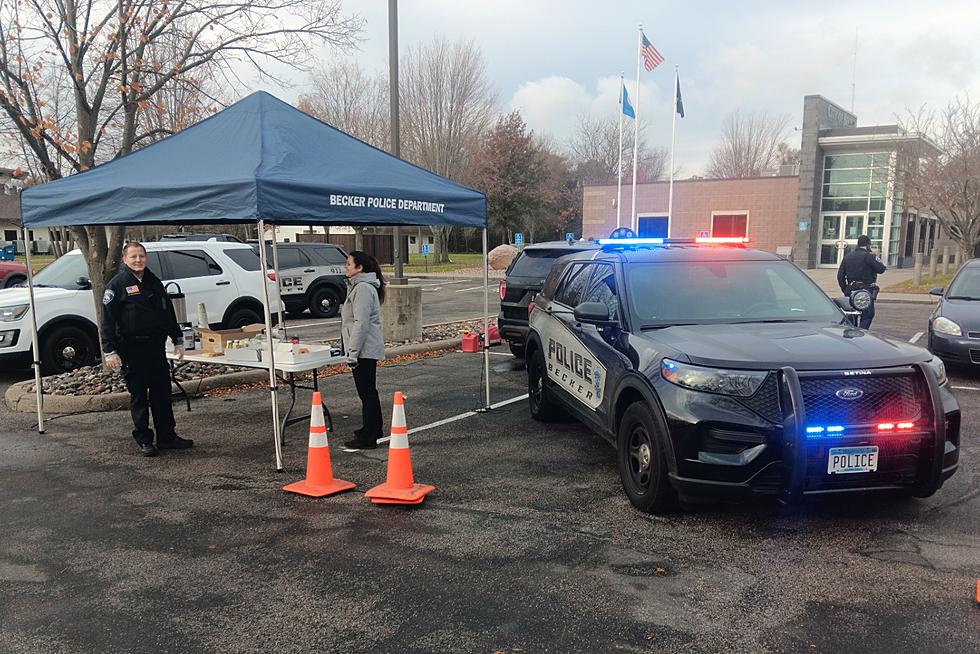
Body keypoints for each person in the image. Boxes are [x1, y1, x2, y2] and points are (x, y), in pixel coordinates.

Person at [102, 242, 193, 457]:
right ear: (125, 259)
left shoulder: (153, 282)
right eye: (133, 256)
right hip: (132, 349)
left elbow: (167, 312)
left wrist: (177, 337)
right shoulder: (116, 285)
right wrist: (109, 350)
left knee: (162, 394)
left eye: (141, 256)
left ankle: (167, 436)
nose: (138, 260)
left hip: (155, 347)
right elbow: (107, 321)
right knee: (140, 396)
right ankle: (144, 439)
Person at [340, 250, 387, 450]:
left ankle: (369, 435)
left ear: (360, 268)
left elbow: (361, 323)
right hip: (363, 349)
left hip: (364, 350)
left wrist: (352, 352)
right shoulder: (360, 287)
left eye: (349, 264)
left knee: (367, 393)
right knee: (368, 392)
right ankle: (372, 429)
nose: (346, 267)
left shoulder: (363, 289)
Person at [837, 234, 886, 329]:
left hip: (851, 289)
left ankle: (851, 332)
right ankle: (863, 332)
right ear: (868, 245)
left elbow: (840, 276)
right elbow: (881, 269)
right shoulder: (869, 256)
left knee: (851, 314)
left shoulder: (848, 257)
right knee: (867, 315)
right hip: (866, 290)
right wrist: (874, 256)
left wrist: (845, 288)